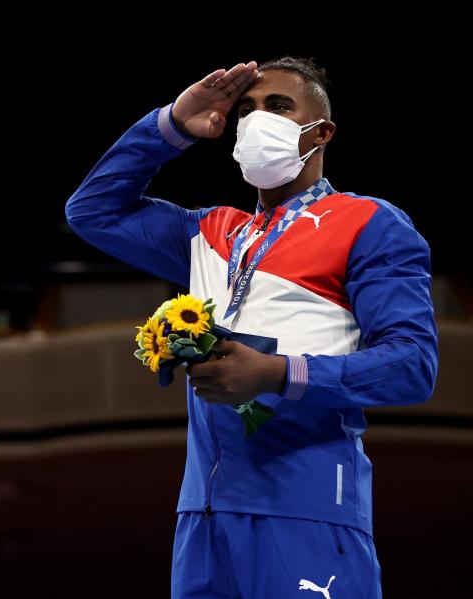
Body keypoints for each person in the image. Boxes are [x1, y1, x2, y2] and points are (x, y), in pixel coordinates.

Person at [65, 57, 438, 598]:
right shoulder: (210, 232)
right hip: (203, 514)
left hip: (308, 509)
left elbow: (413, 365)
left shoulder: (369, 223)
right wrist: (171, 124)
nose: (257, 119)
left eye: (278, 106)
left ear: (322, 130)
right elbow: (92, 211)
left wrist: (276, 374)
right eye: (246, 110)